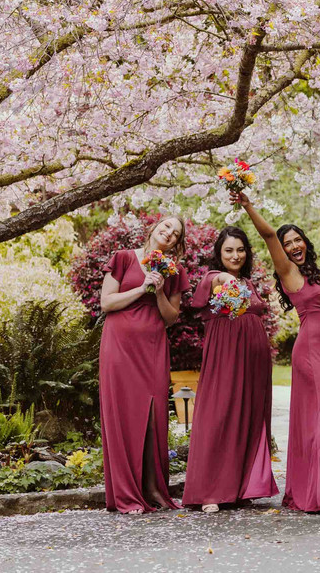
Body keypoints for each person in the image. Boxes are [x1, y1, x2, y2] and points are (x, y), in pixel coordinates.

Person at [234, 192, 320, 515]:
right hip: (310, 351)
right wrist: (247, 204)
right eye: (288, 242)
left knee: (317, 420)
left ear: (305, 243)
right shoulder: (289, 272)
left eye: (298, 240)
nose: (294, 246)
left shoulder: (311, 272)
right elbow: (268, 235)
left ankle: (312, 489)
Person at [182, 227, 279, 512]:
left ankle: (239, 488)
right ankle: (209, 492)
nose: (235, 255)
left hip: (254, 362)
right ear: (219, 254)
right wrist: (228, 279)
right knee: (220, 415)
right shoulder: (215, 278)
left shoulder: (248, 281)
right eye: (228, 250)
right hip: (226, 358)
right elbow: (222, 280)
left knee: (248, 417)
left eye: (240, 249)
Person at [99, 216, 188, 514]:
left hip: (152, 347)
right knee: (123, 413)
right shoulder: (124, 258)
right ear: (153, 228)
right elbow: (107, 303)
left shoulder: (174, 271)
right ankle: (127, 493)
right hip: (120, 346)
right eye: (165, 227)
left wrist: (160, 290)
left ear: (177, 243)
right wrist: (142, 288)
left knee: (154, 415)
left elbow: (170, 318)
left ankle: (153, 488)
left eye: (175, 234)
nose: (168, 234)